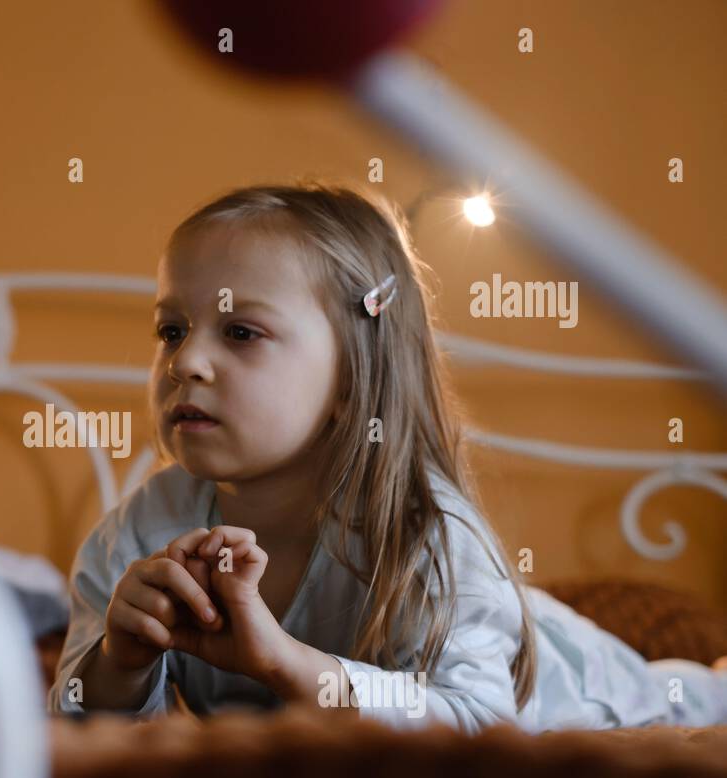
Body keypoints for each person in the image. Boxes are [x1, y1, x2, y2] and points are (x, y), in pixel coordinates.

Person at [47, 181, 727, 733]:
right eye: (172, 329)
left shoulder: (424, 530)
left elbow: (476, 721)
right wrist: (120, 662)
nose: (187, 360)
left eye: (242, 332)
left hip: (578, 688)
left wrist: (287, 664)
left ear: (352, 377)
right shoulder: (142, 532)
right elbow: (73, 717)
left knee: (680, 696)